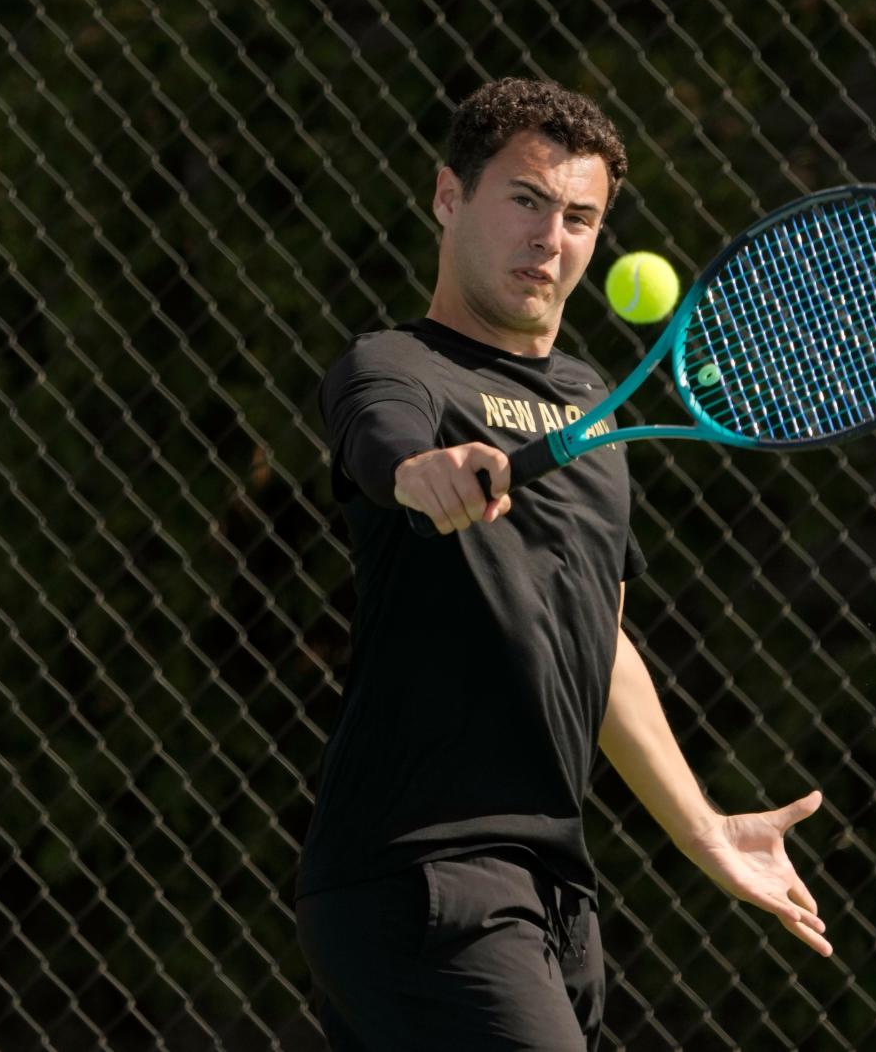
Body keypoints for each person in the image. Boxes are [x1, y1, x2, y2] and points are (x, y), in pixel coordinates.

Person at [296, 76, 831, 1051]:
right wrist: (426, 472)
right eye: (527, 201)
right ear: (449, 196)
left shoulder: (593, 404)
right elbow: (382, 440)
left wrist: (705, 827)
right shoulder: (397, 367)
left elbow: (602, 640)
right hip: (423, 877)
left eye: (580, 216)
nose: (553, 237)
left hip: (554, 888)